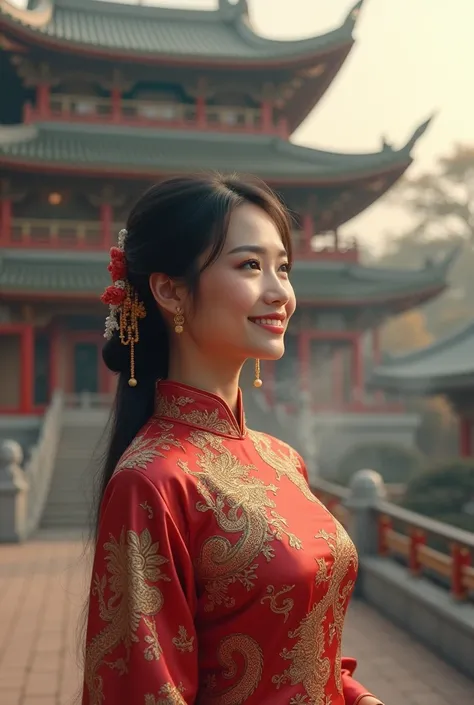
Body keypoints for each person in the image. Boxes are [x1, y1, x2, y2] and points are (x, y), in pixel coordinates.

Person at [82, 174, 384, 705]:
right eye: (250, 265)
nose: (280, 293)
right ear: (170, 290)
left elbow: (300, 646)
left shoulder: (281, 459)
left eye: (283, 268)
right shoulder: (152, 481)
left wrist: (357, 697)